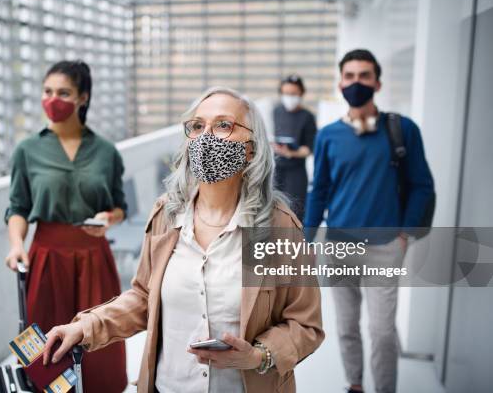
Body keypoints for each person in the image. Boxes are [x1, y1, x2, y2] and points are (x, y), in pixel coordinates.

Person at [41, 86, 324, 392]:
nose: (207, 137)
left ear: (251, 149)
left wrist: (257, 356)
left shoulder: (280, 227)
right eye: (198, 126)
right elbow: (143, 298)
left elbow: (305, 324)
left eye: (223, 125)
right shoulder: (166, 215)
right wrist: (86, 326)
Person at [304, 49, 435, 393]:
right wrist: (305, 241)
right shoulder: (328, 135)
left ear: (377, 82)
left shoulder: (402, 129)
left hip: (384, 248)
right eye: (349, 76)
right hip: (338, 246)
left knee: (382, 332)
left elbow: (422, 185)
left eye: (364, 76)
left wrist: (404, 234)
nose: (356, 83)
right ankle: (355, 385)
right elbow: (319, 191)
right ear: (340, 83)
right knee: (346, 327)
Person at [3, 60, 128, 392]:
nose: (52, 99)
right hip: (46, 257)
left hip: (94, 257)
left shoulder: (106, 152)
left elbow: (119, 207)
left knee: (99, 341)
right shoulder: (27, 151)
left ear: (82, 98)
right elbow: (18, 208)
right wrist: (17, 244)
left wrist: (108, 219)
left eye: (63, 93)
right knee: (45, 345)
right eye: (47, 91)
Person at [272, 74, 317, 221]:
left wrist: (291, 152)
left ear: (301, 93)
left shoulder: (307, 117)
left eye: (293, 94)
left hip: (296, 172)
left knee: (295, 213)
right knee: (275, 211)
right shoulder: (276, 111)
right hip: (277, 168)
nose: (289, 97)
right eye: (286, 93)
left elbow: (309, 149)